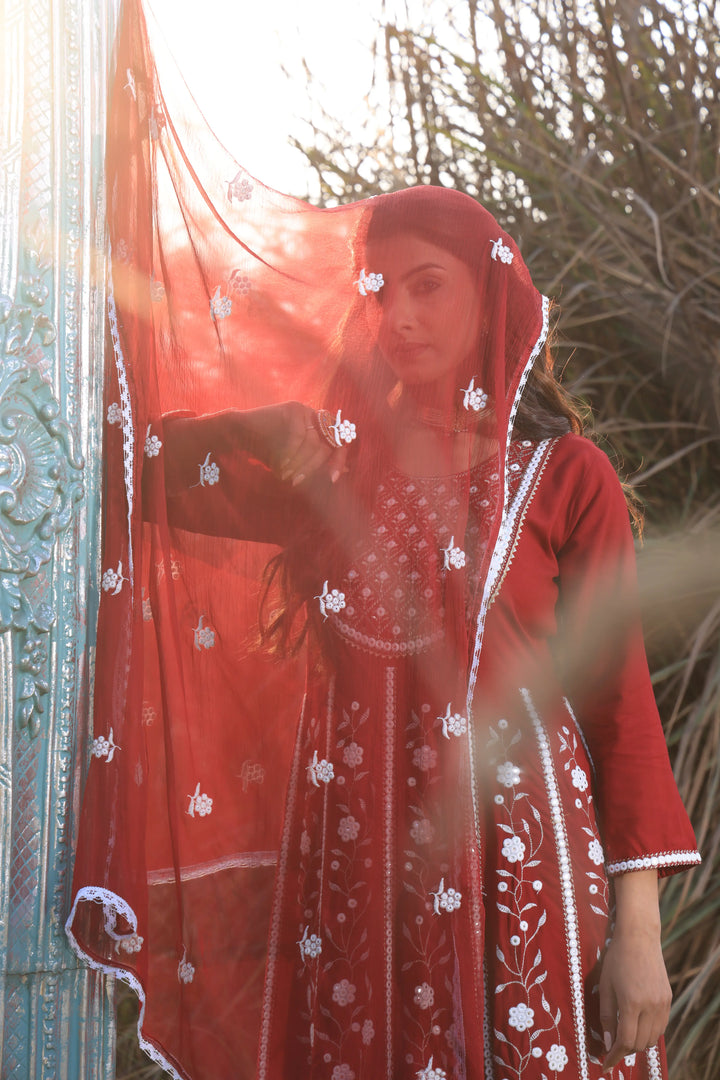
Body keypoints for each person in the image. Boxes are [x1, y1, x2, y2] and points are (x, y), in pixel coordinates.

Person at [66, 6, 699, 1080]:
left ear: (490, 294)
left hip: (522, 866)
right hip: (358, 869)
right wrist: (258, 427)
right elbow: (142, 476)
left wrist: (639, 934)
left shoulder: (563, 477)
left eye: (427, 287)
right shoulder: (333, 487)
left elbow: (619, 703)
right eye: (380, 291)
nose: (399, 316)